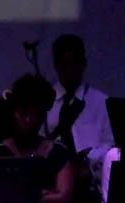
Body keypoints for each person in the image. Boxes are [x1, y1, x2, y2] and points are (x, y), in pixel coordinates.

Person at [0, 74, 74, 203]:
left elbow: (63, 199)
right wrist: (42, 194)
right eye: (23, 113)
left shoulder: (58, 152)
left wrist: (17, 194)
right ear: (13, 112)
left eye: (34, 114)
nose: (28, 120)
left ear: (43, 116)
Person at [45, 34, 112, 179]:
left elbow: (110, 145)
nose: (70, 70)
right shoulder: (44, 102)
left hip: (91, 180)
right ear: (56, 66)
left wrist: (89, 159)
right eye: (64, 64)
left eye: (74, 64)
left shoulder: (102, 102)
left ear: (84, 64)